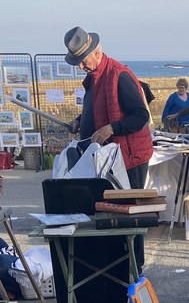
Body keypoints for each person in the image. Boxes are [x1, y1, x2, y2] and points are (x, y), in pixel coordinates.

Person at [64, 26, 153, 190]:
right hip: (107, 157)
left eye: (83, 61)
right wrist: (79, 121)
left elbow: (142, 116)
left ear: (97, 54)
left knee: (129, 209)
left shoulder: (119, 75)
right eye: (78, 63)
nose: (81, 67)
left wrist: (112, 128)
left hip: (129, 158)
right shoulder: (94, 76)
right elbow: (96, 107)